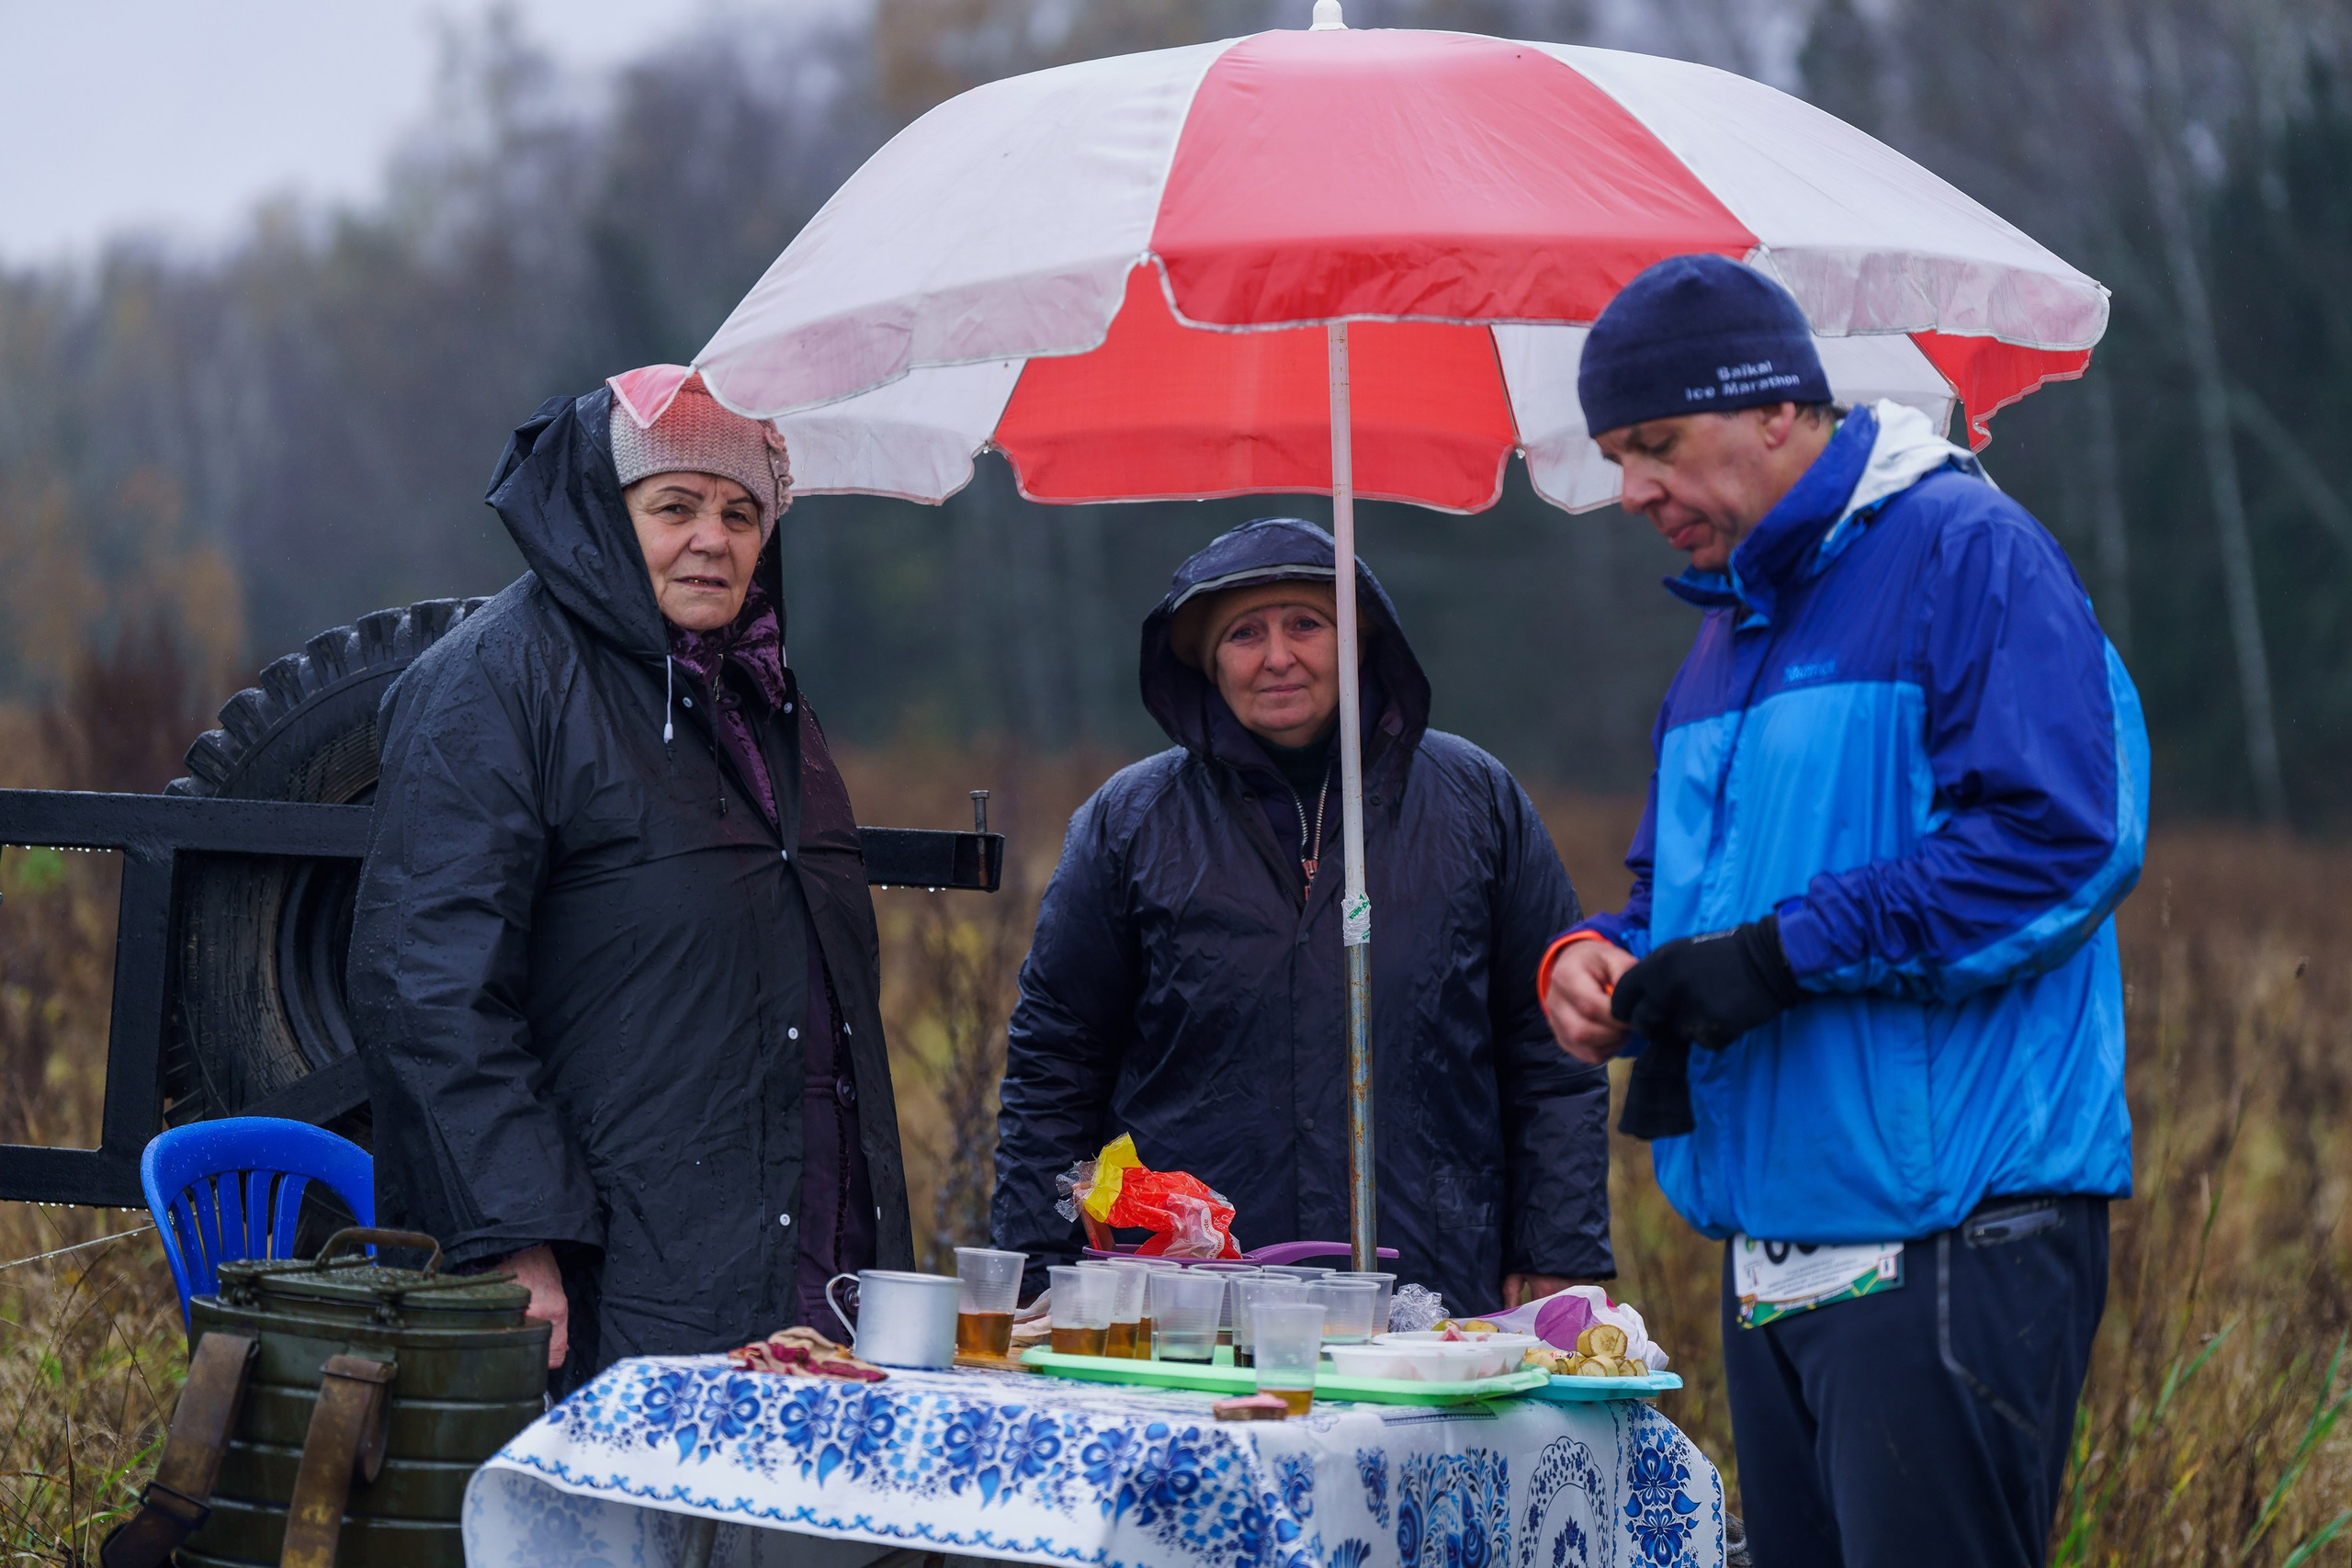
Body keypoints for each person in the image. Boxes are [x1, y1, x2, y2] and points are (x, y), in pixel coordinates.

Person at [1540, 255, 2147, 1567]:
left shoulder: (1967, 554)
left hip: (1950, 1230)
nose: (1632, 488)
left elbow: (2062, 841)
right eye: (1616, 454)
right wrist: (1606, 960)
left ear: (1777, 410)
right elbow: (1674, 898)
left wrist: (1781, 951)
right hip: (1777, 1239)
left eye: (1655, 444)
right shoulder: (1725, 632)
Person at [348, 368, 914, 1392]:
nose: (715, 537)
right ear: (603, 518)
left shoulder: (761, 694)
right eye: (676, 505)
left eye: (743, 512)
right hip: (611, 1266)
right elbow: (427, 985)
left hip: (801, 1257)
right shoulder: (494, 681)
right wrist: (513, 1238)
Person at [993, 517, 1613, 1314]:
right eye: (1244, 633)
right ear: (1206, 662)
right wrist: (1040, 1268)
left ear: (1359, 641)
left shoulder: (1475, 802)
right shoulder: (1131, 822)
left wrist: (1555, 1246)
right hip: (1188, 1298)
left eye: (1306, 624)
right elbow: (1055, 1062)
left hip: (1437, 1288)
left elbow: (1552, 1045)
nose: (1278, 655)